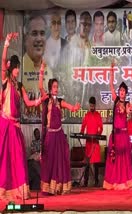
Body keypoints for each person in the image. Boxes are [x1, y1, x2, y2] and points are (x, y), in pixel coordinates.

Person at [0, 32, 46, 200]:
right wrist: (6, 43)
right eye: (16, 67)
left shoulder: (19, 86)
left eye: (19, 68)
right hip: (5, 127)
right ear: (11, 68)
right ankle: (5, 190)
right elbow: (3, 64)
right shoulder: (5, 81)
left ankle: (19, 191)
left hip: (16, 128)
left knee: (18, 159)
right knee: (5, 160)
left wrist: (41, 99)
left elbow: (28, 103)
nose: (18, 70)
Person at [39, 61, 81, 195]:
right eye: (54, 86)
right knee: (50, 162)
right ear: (50, 88)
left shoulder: (59, 101)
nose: (56, 88)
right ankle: (48, 187)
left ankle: (59, 187)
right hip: (50, 136)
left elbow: (70, 107)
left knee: (60, 162)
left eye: (57, 86)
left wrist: (75, 108)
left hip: (59, 136)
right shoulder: (46, 99)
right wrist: (41, 69)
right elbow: (40, 86)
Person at [103, 62, 132, 190]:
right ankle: (112, 182)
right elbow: (110, 85)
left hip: (123, 135)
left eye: (123, 91)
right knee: (113, 159)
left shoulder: (127, 104)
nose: (121, 92)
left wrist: (129, 110)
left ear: (126, 93)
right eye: (120, 90)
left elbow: (129, 111)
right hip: (115, 135)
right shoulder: (115, 100)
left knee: (124, 159)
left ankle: (124, 182)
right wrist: (111, 70)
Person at [80, 96, 103, 187]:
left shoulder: (98, 115)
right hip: (89, 142)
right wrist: (81, 132)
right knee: (87, 162)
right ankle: (85, 182)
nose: (92, 107)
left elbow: (101, 127)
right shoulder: (87, 115)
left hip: (95, 142)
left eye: (93, 105)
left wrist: (98, 133)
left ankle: (96, 181)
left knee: (96, 162)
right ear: (89, 105)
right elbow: (83, 126)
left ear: (95, 105)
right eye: (90, 106)